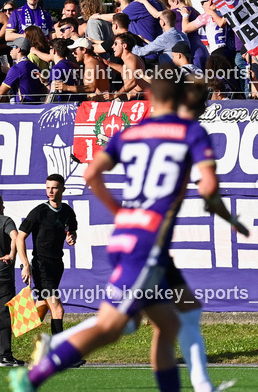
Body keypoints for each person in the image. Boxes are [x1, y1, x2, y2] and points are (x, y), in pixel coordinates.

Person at [8, 77, 244, 392]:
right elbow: (209, 186)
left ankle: (200, 384)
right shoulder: (191, 133)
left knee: (173, 320)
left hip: (128, 239)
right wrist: (226, 216)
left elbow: (91, 172)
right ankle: (36, 373)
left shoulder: (131, 133)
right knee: (112, 327)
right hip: (147, 246)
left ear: (148, 96)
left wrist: (120, 211)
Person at [14, 175, 77, 342]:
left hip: (57, 265)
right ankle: (58, 352)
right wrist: (25, 265)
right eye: (48, 187)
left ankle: (9, 329)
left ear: (62, 189)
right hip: (41, 266)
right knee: (57, 309)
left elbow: (72, 231)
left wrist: (72, 238)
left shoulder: (67, 212)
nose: (50, 191)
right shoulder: (39, 212)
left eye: (54, 187)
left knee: (41, 306)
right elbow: (20, 237)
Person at [0, 194, 23, 367]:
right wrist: (12, 255)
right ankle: (5, 355)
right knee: (4, 314)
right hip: (3, 274)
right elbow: (16, 237)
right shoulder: (5, 221)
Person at [0, 38, 47, 104]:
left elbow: (1, 92)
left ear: (18, 49)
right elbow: (43, 91)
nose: (11, 50)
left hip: (22, 108)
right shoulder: (35, 67)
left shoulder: (16, 69)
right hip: (35, 107)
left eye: (12, 47)